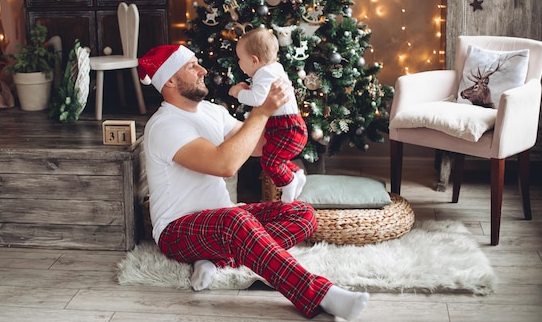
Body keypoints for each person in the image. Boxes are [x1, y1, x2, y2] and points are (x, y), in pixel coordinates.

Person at [138, 44, 369, 320]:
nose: (202, 70)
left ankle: (216, 260)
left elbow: (257, 145)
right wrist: (261, 111)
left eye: (198, 63)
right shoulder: (164, 125)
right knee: (236, 222)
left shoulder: (212, 112)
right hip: (177, 230)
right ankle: (320, 294)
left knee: (302, 214)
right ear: (171, 80)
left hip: (222, 220)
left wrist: (285, 113)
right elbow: (225, 164)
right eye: (191, 67)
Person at [229, 27, 307, 203]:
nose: (239, 64)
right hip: (287, 126)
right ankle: (296, 173)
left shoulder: (264, 73)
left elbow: (257, 99)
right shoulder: (274, 68)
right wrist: (249, 89)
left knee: (270, 163)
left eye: (240, 59)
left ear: (254, 60)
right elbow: (263, 96)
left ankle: (289, 183)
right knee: (275, 159)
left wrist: (237, 93)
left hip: (286, 128)